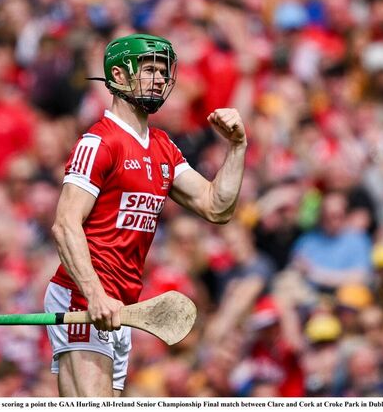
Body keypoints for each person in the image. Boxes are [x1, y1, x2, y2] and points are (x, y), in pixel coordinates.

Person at [45, 33, 246, 396]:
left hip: (121, 305)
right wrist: (94, 294)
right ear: (119, 77)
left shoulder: (163, 147)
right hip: (83, 297)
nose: (158, 78)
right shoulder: (99, 143)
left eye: (162, 71)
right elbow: (64, 225)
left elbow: (217, 207)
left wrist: (237, 146)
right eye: (149, 69)